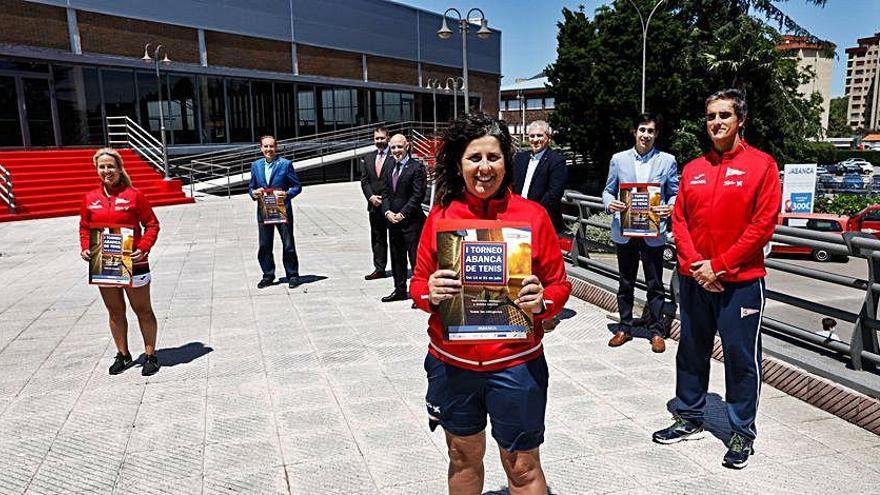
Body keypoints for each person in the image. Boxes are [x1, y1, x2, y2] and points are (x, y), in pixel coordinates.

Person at [410, 114, 571, 494]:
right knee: (462, 456)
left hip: (516, 365)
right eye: (474, 158)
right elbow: (416, 283)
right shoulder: (441, 216)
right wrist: (428, 293)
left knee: (522, 467)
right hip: (453, 365)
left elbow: (559, 286)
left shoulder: (532, 216)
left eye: (493, 158)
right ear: (458, 164)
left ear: (507, 161)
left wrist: (542, 301)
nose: (484, 168)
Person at [652, 89, 781, 470]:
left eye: (725, 115)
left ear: (741, 120)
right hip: (694, 279)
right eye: (711, 116)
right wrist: (696, 265)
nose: (717, 123)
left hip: (741, 282)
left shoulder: (762, 165)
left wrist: (720, 265)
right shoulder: (692, 169)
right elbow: (680, 221)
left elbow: (762, 226)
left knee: (741, 359)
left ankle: (742, 431)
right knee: (691, 349)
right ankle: (689, 416)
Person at [79, 148, 161, 376]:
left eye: (111, 166)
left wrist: (143, 248)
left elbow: (152, 224)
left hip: (135, 262)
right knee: (115, 312)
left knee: (143, 310)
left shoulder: (134, 195)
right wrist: (85, 247)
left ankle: (150, 355)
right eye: (102, 167)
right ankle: (123, 354)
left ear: (119, 168)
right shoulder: (89, 198)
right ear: (97, 169)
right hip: (105, 262)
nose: (107, 171)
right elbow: (85, 227)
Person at [602, 113, 679, 353]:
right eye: (642, 130)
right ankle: (624, 327)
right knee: (625, 281)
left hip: (653, 231)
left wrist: (671, 206)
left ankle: (656, 331)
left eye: (650, 131)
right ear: (634, 132)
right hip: (625, 230)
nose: (646, 135)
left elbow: (676, 193)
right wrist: (609, 204)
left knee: (655, 284)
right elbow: (608, 190)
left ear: (656, 134)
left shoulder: (667, 160)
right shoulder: (618, 159)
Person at [248, 135, 302, 289]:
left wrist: (287, 194)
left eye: (271, 146)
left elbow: (297, 186)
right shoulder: (256, 165)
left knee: (288, 244)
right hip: (264, 209)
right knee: (264, 244)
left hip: (281, 208)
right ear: (261, 148)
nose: (268, 150)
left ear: (276, 148)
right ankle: (268, 275)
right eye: (265, 146)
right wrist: (254, 193)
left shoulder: (285, 164)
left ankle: (292, 275)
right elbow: (251, 187)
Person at [380, 133, 426, 302]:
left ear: (407, 146)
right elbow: (384, 192)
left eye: (400, 146)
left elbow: (417, 195)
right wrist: (387, 212)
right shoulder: (389, 165)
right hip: (393, 222)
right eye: (393, 147)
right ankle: (399, 290)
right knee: (397, 257)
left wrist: (402, 214)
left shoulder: (417, 167)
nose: (396, 150)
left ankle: (418, 295)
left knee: (416, 260)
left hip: (411, 222)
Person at [512, 120, 568, 233]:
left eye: (539, 135)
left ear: (548, 138)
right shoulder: (519, 158)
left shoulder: (556, 161)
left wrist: (532, 213)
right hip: (517, 217)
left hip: (542, 219)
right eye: (532, 136)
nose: (535, 139)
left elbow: (554, 194)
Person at [360, 126, 394, 280]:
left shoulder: (395, 156)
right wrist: (371, 197)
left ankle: (398, 268)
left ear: (388, 138)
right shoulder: (367, 158)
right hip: (374, 205)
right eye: (376, 138)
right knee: (377, 238)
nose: (379, 141)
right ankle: (379, 269)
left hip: (392, 205)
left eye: (382, 138)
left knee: (395, 238)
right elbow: (364, 181)